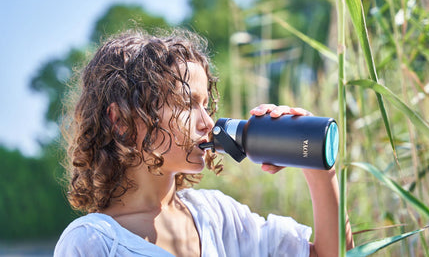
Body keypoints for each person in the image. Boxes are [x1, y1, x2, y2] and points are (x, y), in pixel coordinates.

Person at [54, 28, 354, 257]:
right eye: (187, 104)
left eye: (206, 106)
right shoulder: (93, 242)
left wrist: (317, 164)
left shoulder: (217, 216)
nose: (207, 124)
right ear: (121, 121)